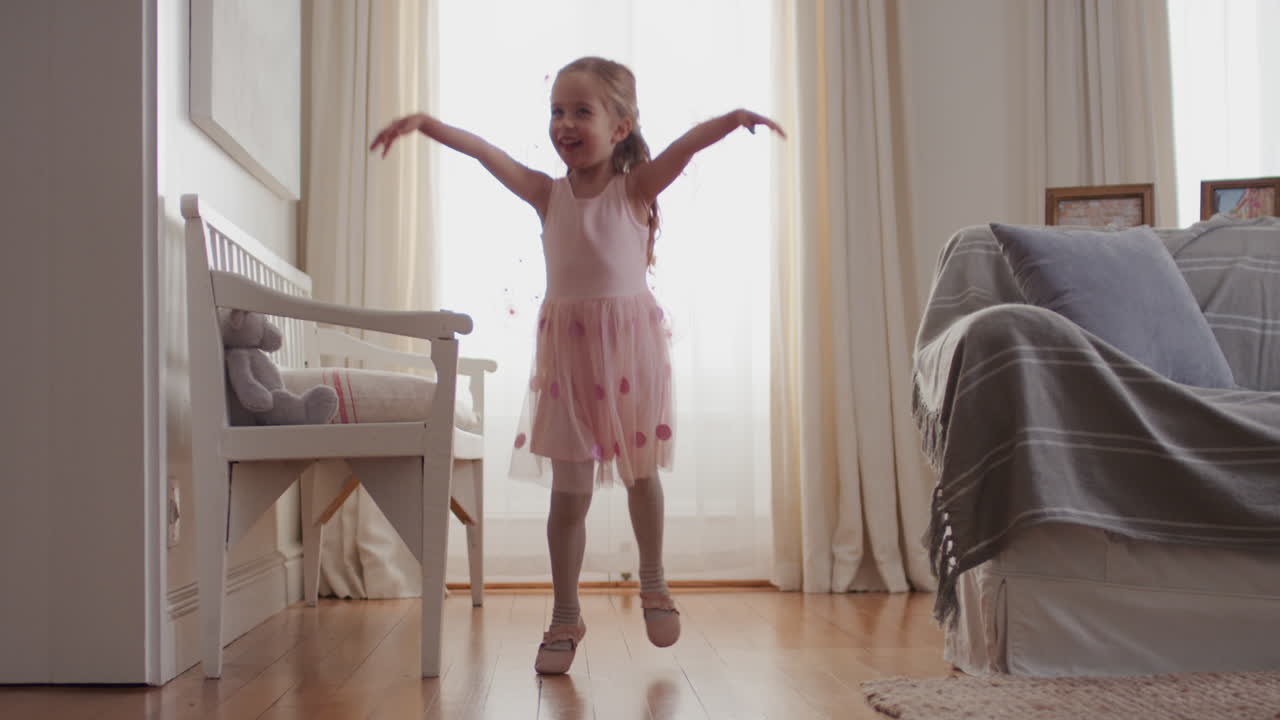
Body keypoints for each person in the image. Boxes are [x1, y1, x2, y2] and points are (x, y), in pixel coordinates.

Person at [370, 55, 784, 675]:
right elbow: (487, 154)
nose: (564, 123)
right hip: (566, 364)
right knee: (569, 497)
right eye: (556, 111)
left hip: (630, 356)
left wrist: (731, 119)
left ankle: (653, 581)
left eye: (580, 111)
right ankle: (566, 613)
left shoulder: (634, 190)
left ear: (620, 127)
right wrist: (428, 125)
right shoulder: (547, 194)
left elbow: (685, 147)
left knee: (642, 477)